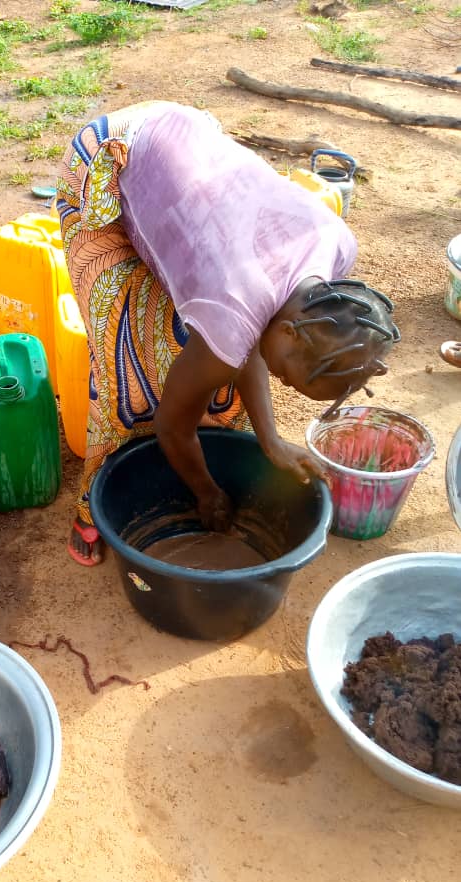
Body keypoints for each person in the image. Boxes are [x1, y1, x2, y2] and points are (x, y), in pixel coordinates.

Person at [56, 101, 400, 566]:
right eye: (290, 379)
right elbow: (173, 422)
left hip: (198, 179)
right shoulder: (237, 304)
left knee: (208, 365)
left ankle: (198, 458)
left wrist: (271, 440)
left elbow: (252, 341)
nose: (280, 384)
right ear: (293, 333)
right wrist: (208, 495)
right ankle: (95, 503)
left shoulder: (337, 252)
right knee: (128, 373)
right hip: (120, 156)